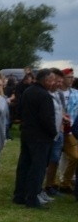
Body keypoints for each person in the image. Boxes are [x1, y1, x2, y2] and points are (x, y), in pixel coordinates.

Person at [13, 69, 57, 209]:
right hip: (40, 136)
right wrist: (53, 132)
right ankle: (32, 198)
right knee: (37, 168)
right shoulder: (44, 96)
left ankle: (19, 195)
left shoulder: (27, 91)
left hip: (27, 133)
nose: (53, 83)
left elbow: (19, 110)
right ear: (45, 80)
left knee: (24, 165)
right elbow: (47, 118)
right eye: (51, 80)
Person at [43, 69, 69, 200]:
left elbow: (62, 110)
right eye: (57, 81)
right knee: (43, 161)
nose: (59, 84)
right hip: (47, 133)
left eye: (61, 82)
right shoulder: (45, 94)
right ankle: (37, 187)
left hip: (59, 133)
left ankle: (49, 186)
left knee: (54, 160)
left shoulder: (59, 94)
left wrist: (64, 118)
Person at [57, 68, 78, 193]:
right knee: (60, 156)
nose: (72, 79)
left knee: (73, 156)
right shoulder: (56, 93)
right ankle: (60, 180)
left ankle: (68, 179)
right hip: (58, 129)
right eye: (69, 77)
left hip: (72, 129)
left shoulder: (75, 93)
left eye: (72, 77)